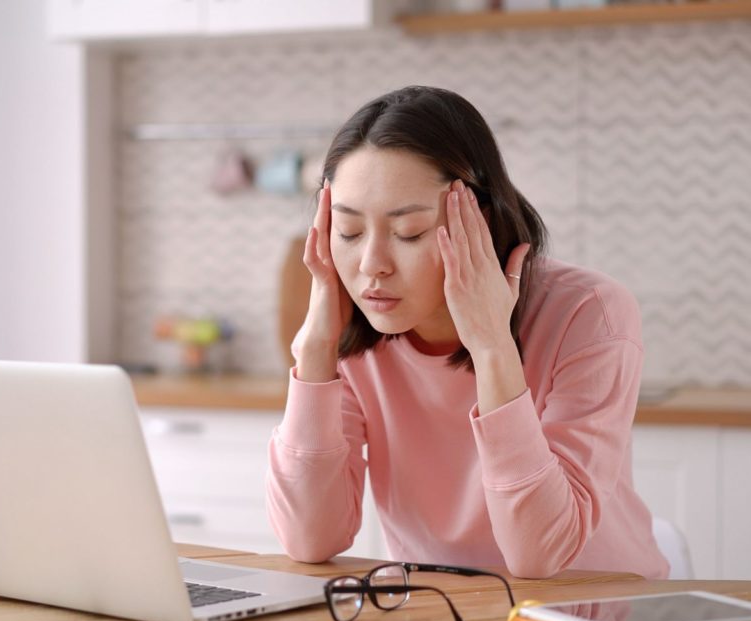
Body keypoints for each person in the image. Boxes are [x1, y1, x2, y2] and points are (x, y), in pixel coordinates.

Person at [265, 86, 669, 580]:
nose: (371, 266)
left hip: (591, 617)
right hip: (438, 617)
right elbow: (310, 539)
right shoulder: (355, 329)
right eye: (348, 232)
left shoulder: (589, 313)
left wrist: (492, 345)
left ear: (479, 221)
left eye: (408, 232)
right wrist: (316, 352)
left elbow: (540, 555)